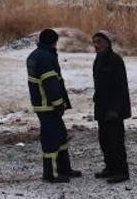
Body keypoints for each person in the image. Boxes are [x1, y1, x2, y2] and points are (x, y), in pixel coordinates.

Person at [26, 28, 82, 183]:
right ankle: (51, 174)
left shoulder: (35, 55)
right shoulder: (46, 57)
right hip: (48, 105)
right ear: (54, 41)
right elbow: (50, 83)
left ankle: (64, 169)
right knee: (51, 140)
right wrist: (59, 104)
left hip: (42, 104)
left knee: (61, 136)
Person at [92, 32, 131, 183]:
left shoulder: (115, 60)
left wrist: (114, 109)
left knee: (116, 141)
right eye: (94, 42)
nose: (96, 45)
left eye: (99, 42)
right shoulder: (98, 59)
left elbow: (120, 87)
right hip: (102, 107)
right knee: (104, 140)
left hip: (115, 109)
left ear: (107, 43)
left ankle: (122, 171)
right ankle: (110, 168)